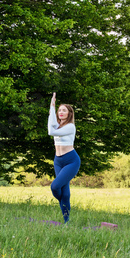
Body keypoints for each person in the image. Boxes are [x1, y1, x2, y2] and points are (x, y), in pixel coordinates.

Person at [48, 93, 80, 224]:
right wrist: (52, 106)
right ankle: (67, 222)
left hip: (71, 160)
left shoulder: (70, 127)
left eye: (64, 110)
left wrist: (53, 110)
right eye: (59, 110)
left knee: (55, 186)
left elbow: (51, 131)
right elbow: (51, 124)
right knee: (65, 193)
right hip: (58, 161)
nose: (61, 112)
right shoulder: (58, 125)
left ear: (69, 114)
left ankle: (65, 214)